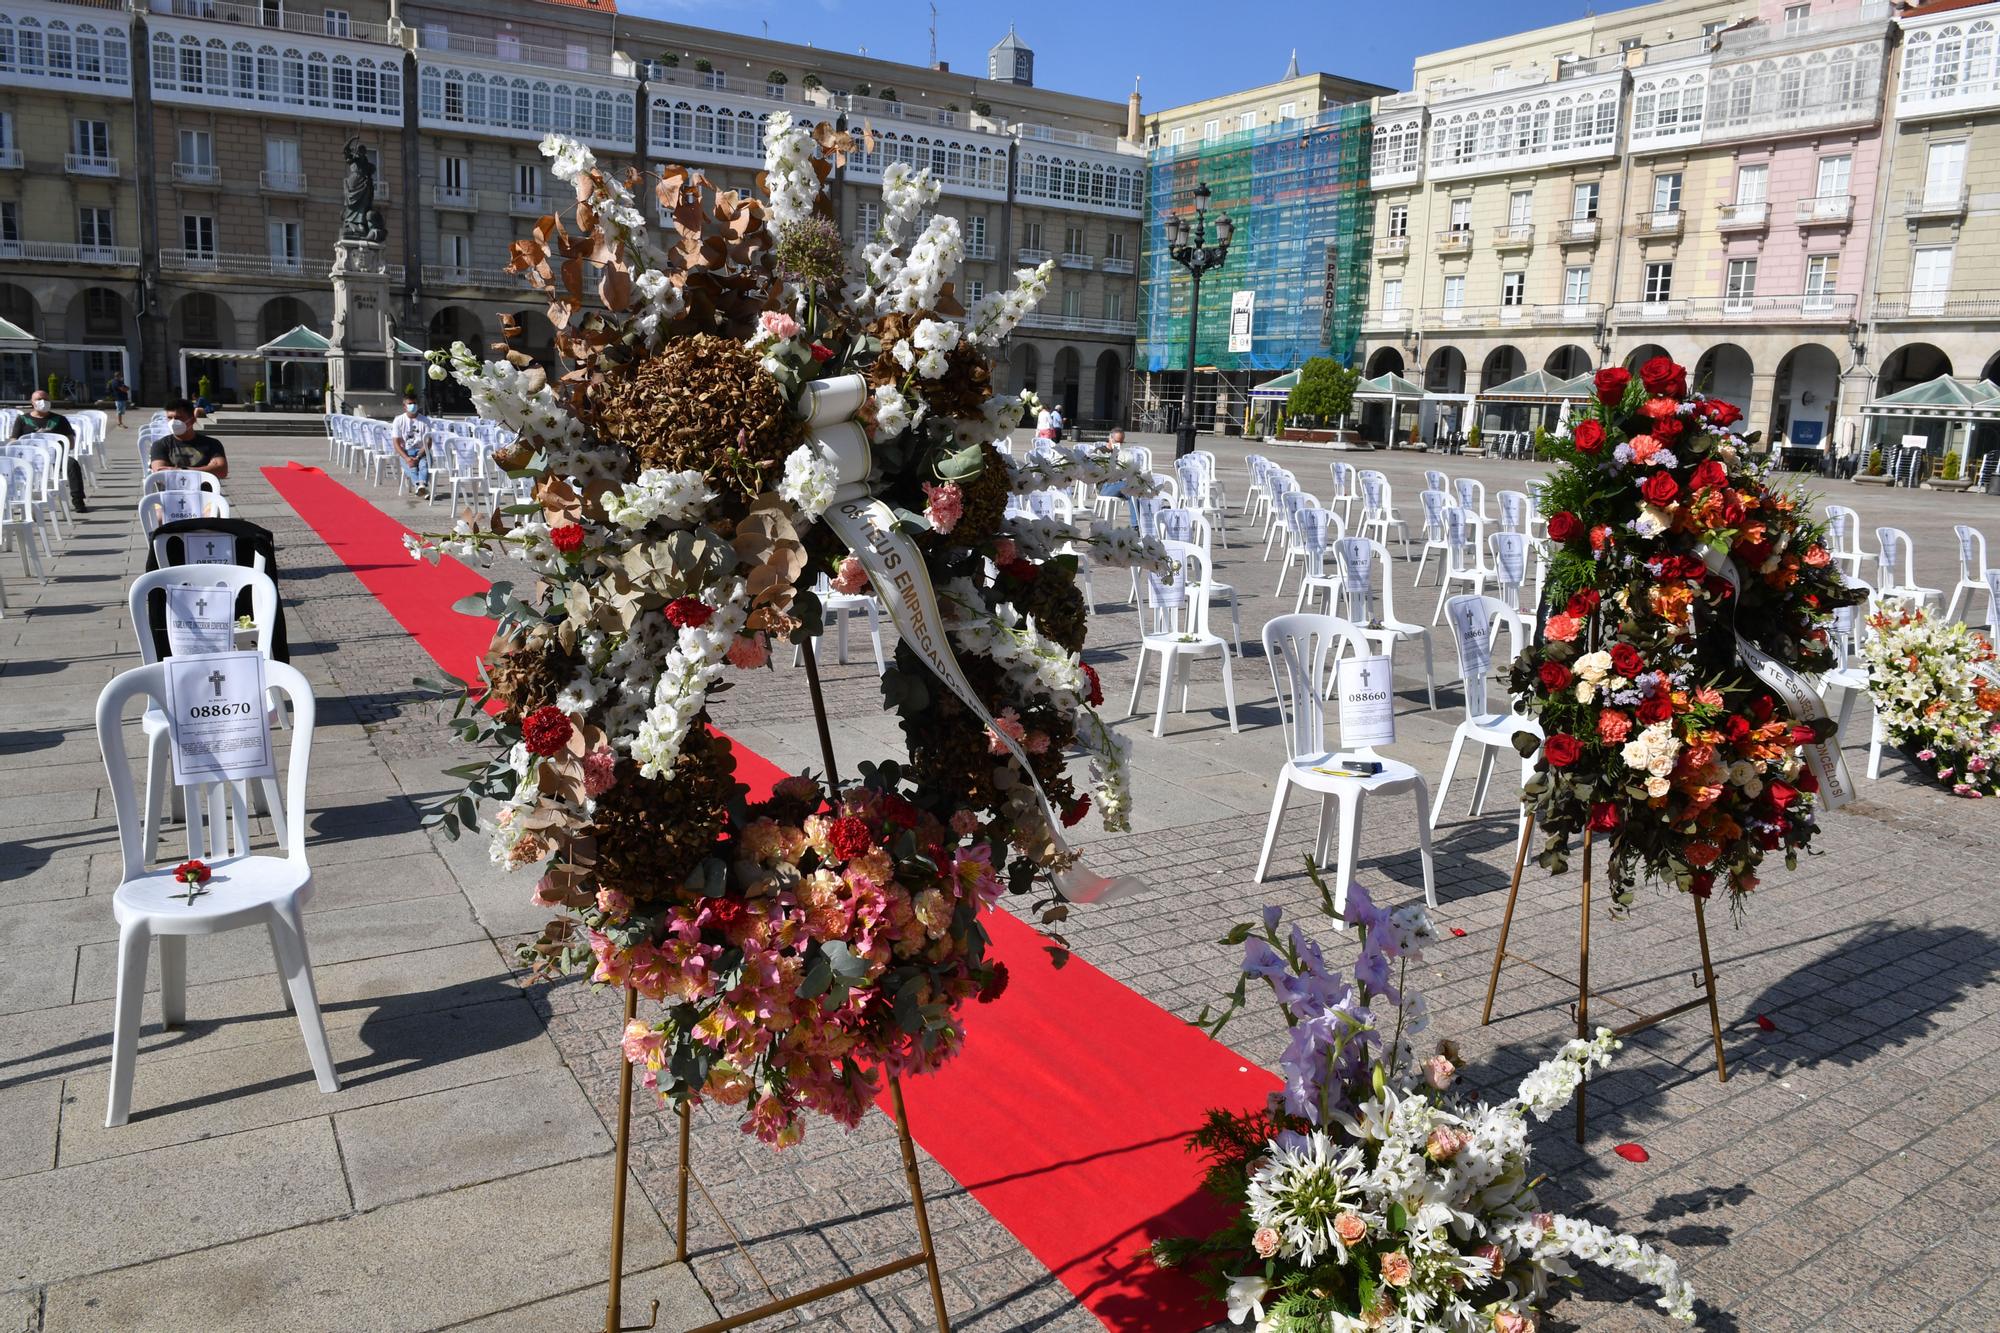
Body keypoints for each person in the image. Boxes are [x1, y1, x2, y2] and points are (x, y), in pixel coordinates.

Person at [11, 389, 86, 512]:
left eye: (45, 399)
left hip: (54, 458)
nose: (43, 402)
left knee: (72, 464)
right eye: (39, 399)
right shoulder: (22, 419)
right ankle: (15, 503)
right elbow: (14, 440)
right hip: (31, 460)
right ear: (32, 402)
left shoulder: (60, 419)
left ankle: (78, 500)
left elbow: (70, 443)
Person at [149, 396, 229, 480]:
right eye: (170, 418)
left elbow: (221, 471)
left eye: (178, 418)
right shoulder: (160, 445)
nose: (173, 422)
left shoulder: (212, 444)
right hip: (173, 491)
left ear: (192, 420)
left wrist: (181, 470)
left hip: (204, 491)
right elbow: (160, 474)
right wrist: (206, 469)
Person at [391, 393, 433, 497]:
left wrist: (418, 456)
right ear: (404, 406)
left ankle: (420, 486)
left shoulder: (425, 420)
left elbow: (428, 442)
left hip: (421, 451)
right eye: (410, 403)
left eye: (414, 403)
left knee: (424, 465)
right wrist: (406, 458)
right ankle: (421, 486)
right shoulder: (399, 420)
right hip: (406, 451)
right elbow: (396, 443)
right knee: (412, 467)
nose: (413, 405)